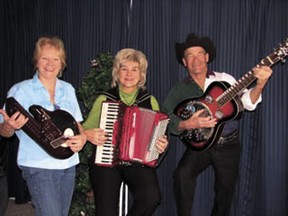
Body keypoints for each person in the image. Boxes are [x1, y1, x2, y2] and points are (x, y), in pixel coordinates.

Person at [162, 33, 273, 216]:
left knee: (225, 193)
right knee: (181, 176)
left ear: (207, 57)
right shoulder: (179, 89)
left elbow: (247, 103)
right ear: (184, 61)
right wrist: (186, 123)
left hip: (227, 144)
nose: (195, 59)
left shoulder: (224, 80)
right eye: (190, 55)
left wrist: (260, 84)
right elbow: (165, 116)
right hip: (199, 145)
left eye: (199, 54)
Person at [0, 37, 87, 216]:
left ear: (62, 64)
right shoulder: (21, 91)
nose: (50, 64)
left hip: (68, 165)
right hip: (38, 166)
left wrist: (83, 138)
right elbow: (4, 130)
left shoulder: (68, 89)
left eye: (55, 59)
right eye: (44, 58)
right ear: (36, 61)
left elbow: (78, 124)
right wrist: (9, 127)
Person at [83, 48, 169, 216]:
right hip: (107, 162)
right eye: (124, 69)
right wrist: (89, 134)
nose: (129, 74)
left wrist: (161, 144)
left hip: (137, 162)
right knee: (106, 211)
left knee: (151, 198)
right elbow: (85, 128)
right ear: (117, 72)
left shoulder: (149, 101)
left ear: (141, 74)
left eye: (134, 69)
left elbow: (159, 136)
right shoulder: (105, 99)